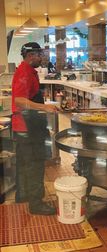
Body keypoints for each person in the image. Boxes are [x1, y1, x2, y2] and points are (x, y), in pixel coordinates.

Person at [12, 42, 58, 215]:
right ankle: (36, 203)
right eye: (39, 54)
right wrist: (44, 107)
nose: (41, 57)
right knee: (35, 164)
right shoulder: (24, 72)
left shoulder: (29, 71)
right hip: (27, 127)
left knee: (25, 163)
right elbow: (19, 101)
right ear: (31, 56)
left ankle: (22, 195)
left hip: (26, 125)